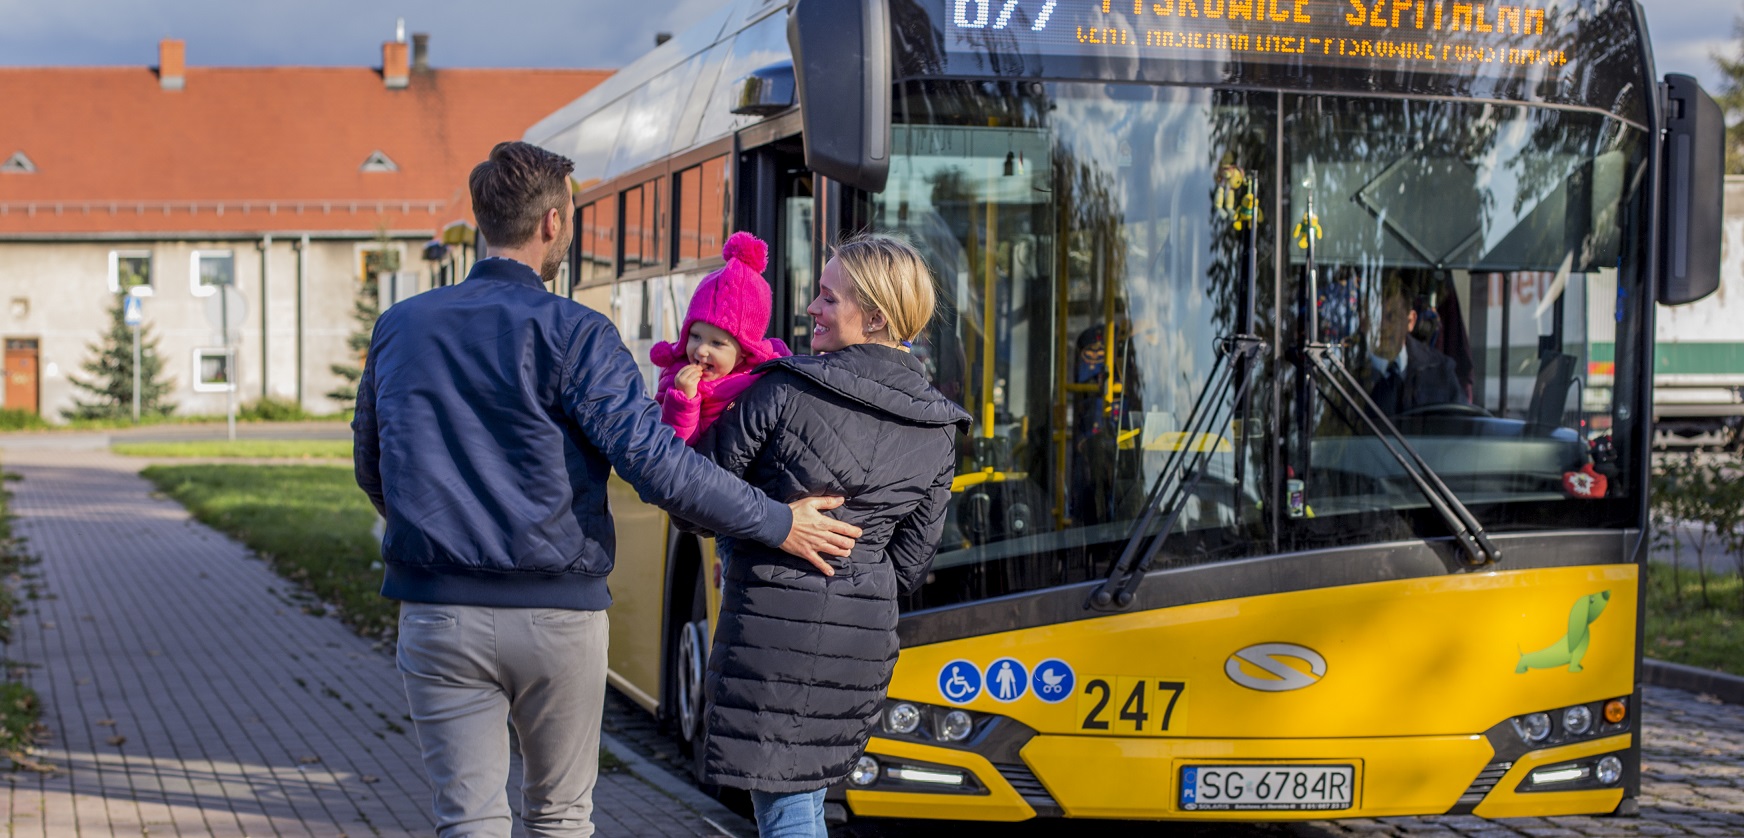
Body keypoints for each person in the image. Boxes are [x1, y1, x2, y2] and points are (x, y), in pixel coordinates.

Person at [351, 141, 861, 838]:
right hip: (556, 617)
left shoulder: (398, 327)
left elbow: (374, 469)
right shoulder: (579, 335)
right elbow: (660, 469)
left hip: (436, 613)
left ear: (482, 220)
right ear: (554, 224)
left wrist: (439, 532)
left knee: (467, 820)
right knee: (559, 817)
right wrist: (778, 522)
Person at [696, 233, 970, 837]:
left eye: (827, 297)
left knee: (787, 807)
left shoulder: (787, 388)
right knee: (805, 796)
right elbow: (911, 564)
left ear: (873, 315)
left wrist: (769, 528)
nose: (812, 309)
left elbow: (696, 498)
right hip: (861, 644)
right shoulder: (939, 427)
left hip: (773, 630)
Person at [649, 231, 791, 445]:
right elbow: (670, 452)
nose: (701, 350)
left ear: (745, 349)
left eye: (716, 343)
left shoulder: (761, 382)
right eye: (695, 336)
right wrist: (683, 401)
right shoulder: (674, 377)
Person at [1367, 272, 1466, 416]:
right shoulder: (1346, 373)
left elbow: (1461, 427)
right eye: (1375, 316)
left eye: (1391, 316)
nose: (1383, 326)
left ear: (1411, 321)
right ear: (1364, 320)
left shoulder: (1440, 371)